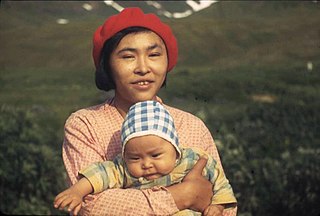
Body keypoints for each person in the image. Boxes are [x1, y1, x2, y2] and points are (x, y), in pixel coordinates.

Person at [61, 7, 237, 215]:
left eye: (154, 54)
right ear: (107, 66)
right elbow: (91, 205)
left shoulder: (191, 125)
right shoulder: (85, 125)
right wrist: (183, 196)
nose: (143, 68)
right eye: (128, 57)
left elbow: (222, 202)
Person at [54, 101, 237, 216]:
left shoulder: (192, 160)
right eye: (135, 158)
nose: (147, 164)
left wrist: (218, 206)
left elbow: (220, 183)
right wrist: (77, 191)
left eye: (156, 155)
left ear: (175, 148)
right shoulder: (123, 170)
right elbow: (101, 174)